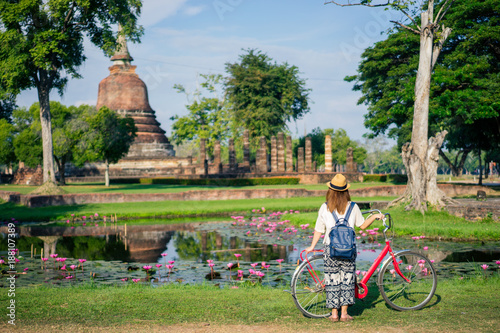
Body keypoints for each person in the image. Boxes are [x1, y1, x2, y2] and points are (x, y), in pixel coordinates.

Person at [304, 174, 384, 322]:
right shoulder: (353, 207)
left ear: (330, 190)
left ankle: (334, 314)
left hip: (330, 249)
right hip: (349, 250)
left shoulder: (325, 207)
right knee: (347, 279)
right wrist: (374, 217)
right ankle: (344, 314)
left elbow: (318, 230)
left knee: (332, 280)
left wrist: (312, 246)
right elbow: (363, 225)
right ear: (346, 191)